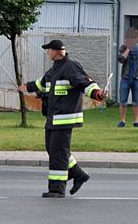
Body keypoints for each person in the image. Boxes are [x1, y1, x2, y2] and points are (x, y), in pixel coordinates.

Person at [18, 39, 107, 198]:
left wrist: (98, 94)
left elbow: (86, 84)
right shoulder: (53, 70)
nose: (47, 53)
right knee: (53, 149)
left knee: (58, 152)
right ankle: (78, 173)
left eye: (48, 50)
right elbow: (41, 84)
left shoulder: (71, 67)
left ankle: (57, 189)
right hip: (53, 117)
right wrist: (25, 87)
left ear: (55, 51)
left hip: (65, 118)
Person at [117, 27, 138, 128]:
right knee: (123, 101)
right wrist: (128, 49)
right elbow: (121, 60)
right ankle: (122, 121)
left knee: (136, 102)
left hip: (137, 79)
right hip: (125, 78)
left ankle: (136, 122)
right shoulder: (123, 47)